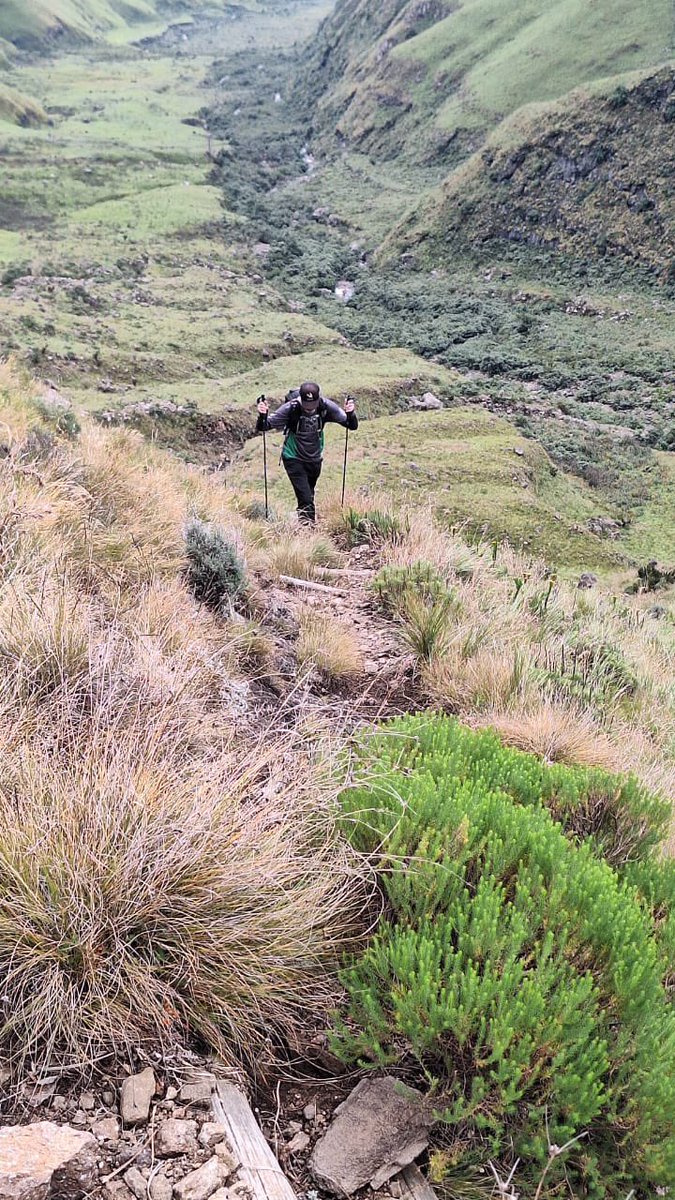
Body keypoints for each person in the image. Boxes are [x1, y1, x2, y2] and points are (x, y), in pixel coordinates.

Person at [256, 381, 358, 524]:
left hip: (314, 459)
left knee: (308, 495)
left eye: (312, 405)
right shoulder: (291, 408)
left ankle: (304, 524)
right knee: (305, 498)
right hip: (293, 456)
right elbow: (264, 426)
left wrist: (350, 412)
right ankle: (308, 531)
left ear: (318, 399)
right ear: (301, 400)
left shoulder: (325, 407)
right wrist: (262, 415)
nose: (309, 409)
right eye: (306, 405)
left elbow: (351, 425)